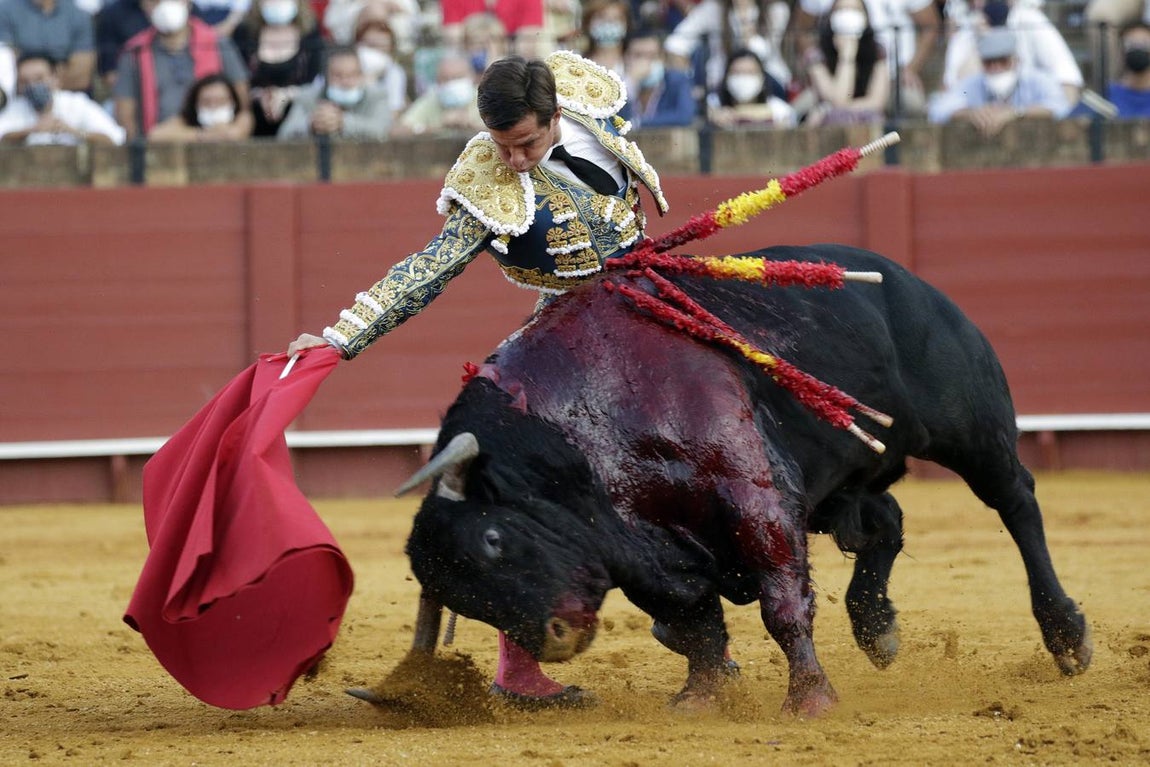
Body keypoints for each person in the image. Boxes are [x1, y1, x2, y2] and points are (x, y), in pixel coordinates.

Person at [286, 52, 669, 707]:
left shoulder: (592, 99)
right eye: (501, 145)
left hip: (658, 307)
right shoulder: (486, 176)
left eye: (525, 143)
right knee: (500, 483)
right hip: (565, 340)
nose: (513, 160)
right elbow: (429, 267)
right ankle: (516, 670)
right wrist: (339, 340)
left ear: (555, 115)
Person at [112, 0, 252, 139]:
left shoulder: (218, 44)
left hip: (216, 144)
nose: (164, 5)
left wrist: (232, 133)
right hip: (160, 148)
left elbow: (244, 108)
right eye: (155, 1)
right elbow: (126, 118)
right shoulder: (134, 52)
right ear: (144, 5)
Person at [928, 27, 1069, 134]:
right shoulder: (973, 84)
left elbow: (1061, 107)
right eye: (989, 62)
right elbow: (938, 110)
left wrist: (1016, 113)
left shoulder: (1037, 80)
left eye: (1002, 61)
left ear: (1015, 60)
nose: (996, 68)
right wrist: (970, 113)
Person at [942, 0, 1082, 107]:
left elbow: (1069, 85)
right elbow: (950, 98)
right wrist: (982, 40)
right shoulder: (966, 29)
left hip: (1030, 125)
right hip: (978, 128)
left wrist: (1019, 114)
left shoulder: (1030, 20)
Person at [232, 0, 325, 136]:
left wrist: (285, 96)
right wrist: (261, 96)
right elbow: (237, 78)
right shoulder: (244, 32)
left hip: (298, 113)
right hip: (254, 114)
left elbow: (314, 82)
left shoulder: (310, 31)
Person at [663, 0, 792, 94]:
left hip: (770, 85)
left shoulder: (777, 10)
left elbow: (759, 52)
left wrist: (744, 18)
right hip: (721, 85)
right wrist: (687, 81)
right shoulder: (712, 8)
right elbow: (676, 42)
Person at [0, 51, 126, 144]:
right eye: (25, 81)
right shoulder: (16, 107)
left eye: (39, 79)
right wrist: (31, 130)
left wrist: (74, 132)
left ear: (55, 77)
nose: (32, 86)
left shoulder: (77, 104)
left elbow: (115, 139)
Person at [802, 0, 889, 125]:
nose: (847, 16)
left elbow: (877, 102)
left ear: (865, 17)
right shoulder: (816, 55)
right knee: (837, 119)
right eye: (841, 10)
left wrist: (831, 109)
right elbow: (839, 99)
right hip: (831, 126)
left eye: (854, 10)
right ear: (831, 16)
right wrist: (847, 54)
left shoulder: (877, 51)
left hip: (866, 122)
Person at [276, 44, 391, 139]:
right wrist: (311, 124)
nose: (345, 82)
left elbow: (383, 130)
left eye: (352, 75)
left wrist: (342, 122)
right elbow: (284, 134)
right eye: (338, 75)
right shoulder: (308, 95)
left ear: (361, 75)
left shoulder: (377, 96)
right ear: (325, 77)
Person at [0, 0, 97, 93]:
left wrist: (47, 84)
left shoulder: (78, 14)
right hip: (17, 100)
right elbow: (6, 64)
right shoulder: (5, 10)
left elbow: (82, 75)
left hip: (67, 97)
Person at [390, 51, 484, 137]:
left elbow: (497, 132)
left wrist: (471, 126)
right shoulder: (431, 100)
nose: (452, 84)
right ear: (437, 81)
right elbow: (397, 131)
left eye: (457, 77)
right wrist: (438, 127)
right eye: (446, 79)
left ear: (472, 77)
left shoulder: (485, 99)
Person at [619, 29, 698, 128]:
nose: (645, 63)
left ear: (662, 58)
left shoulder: (678, 81)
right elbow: (613, 120)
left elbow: (684, 116)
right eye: (638, 56)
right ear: (625, 58)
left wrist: (638, 123)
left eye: (652, 56)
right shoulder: (618, 85)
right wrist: (629, 84)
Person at [707, 46, 797, 127]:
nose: (743, 79)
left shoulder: (779, 110)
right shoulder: (714, 103)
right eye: (737, 73)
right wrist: (713, 116)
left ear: (762, 79)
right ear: (726, 77)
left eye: (750, 73)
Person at [148, 71, 252, 139]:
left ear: (233, 102)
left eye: (221, 101)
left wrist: (215, 132)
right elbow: (155, 135)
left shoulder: (243, 116)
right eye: (206, 102)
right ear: (195, 104)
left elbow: (234, 134)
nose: (213, 106)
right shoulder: (186, 119)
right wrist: (201, 135)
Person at [351, 3, 407, 119]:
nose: (375, 54)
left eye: (381, 47)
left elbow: (393, 113)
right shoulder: (340, 65)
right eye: (370, 46)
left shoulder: (395, 72)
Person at [1108, 21, 1150, 116]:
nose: (1138, 49)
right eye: (1131, 45)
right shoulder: (1105, 96)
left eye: (1145, 44)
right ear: (1120, 52)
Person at [581, 0, 631, 76]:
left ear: (627, 24)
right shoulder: (576, 62)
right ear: (588, 23)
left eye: (616, 19)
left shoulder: (634, 62)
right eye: (602, 17)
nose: (609, 24)